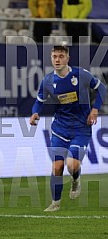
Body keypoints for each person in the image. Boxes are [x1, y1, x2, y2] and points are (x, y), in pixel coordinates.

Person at [30, 45, 107, 212]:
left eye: (61, 56)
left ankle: (75, 179)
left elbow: (102, 88)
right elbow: (38, 102)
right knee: (57, 167)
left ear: (67, 58)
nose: (57, 60)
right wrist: (35, 113)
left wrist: (95, 109)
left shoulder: (81, 75)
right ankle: (55, 203)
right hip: (60, 128)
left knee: (72, 165)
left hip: (81, 128)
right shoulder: (48, 81)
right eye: (54, 56)